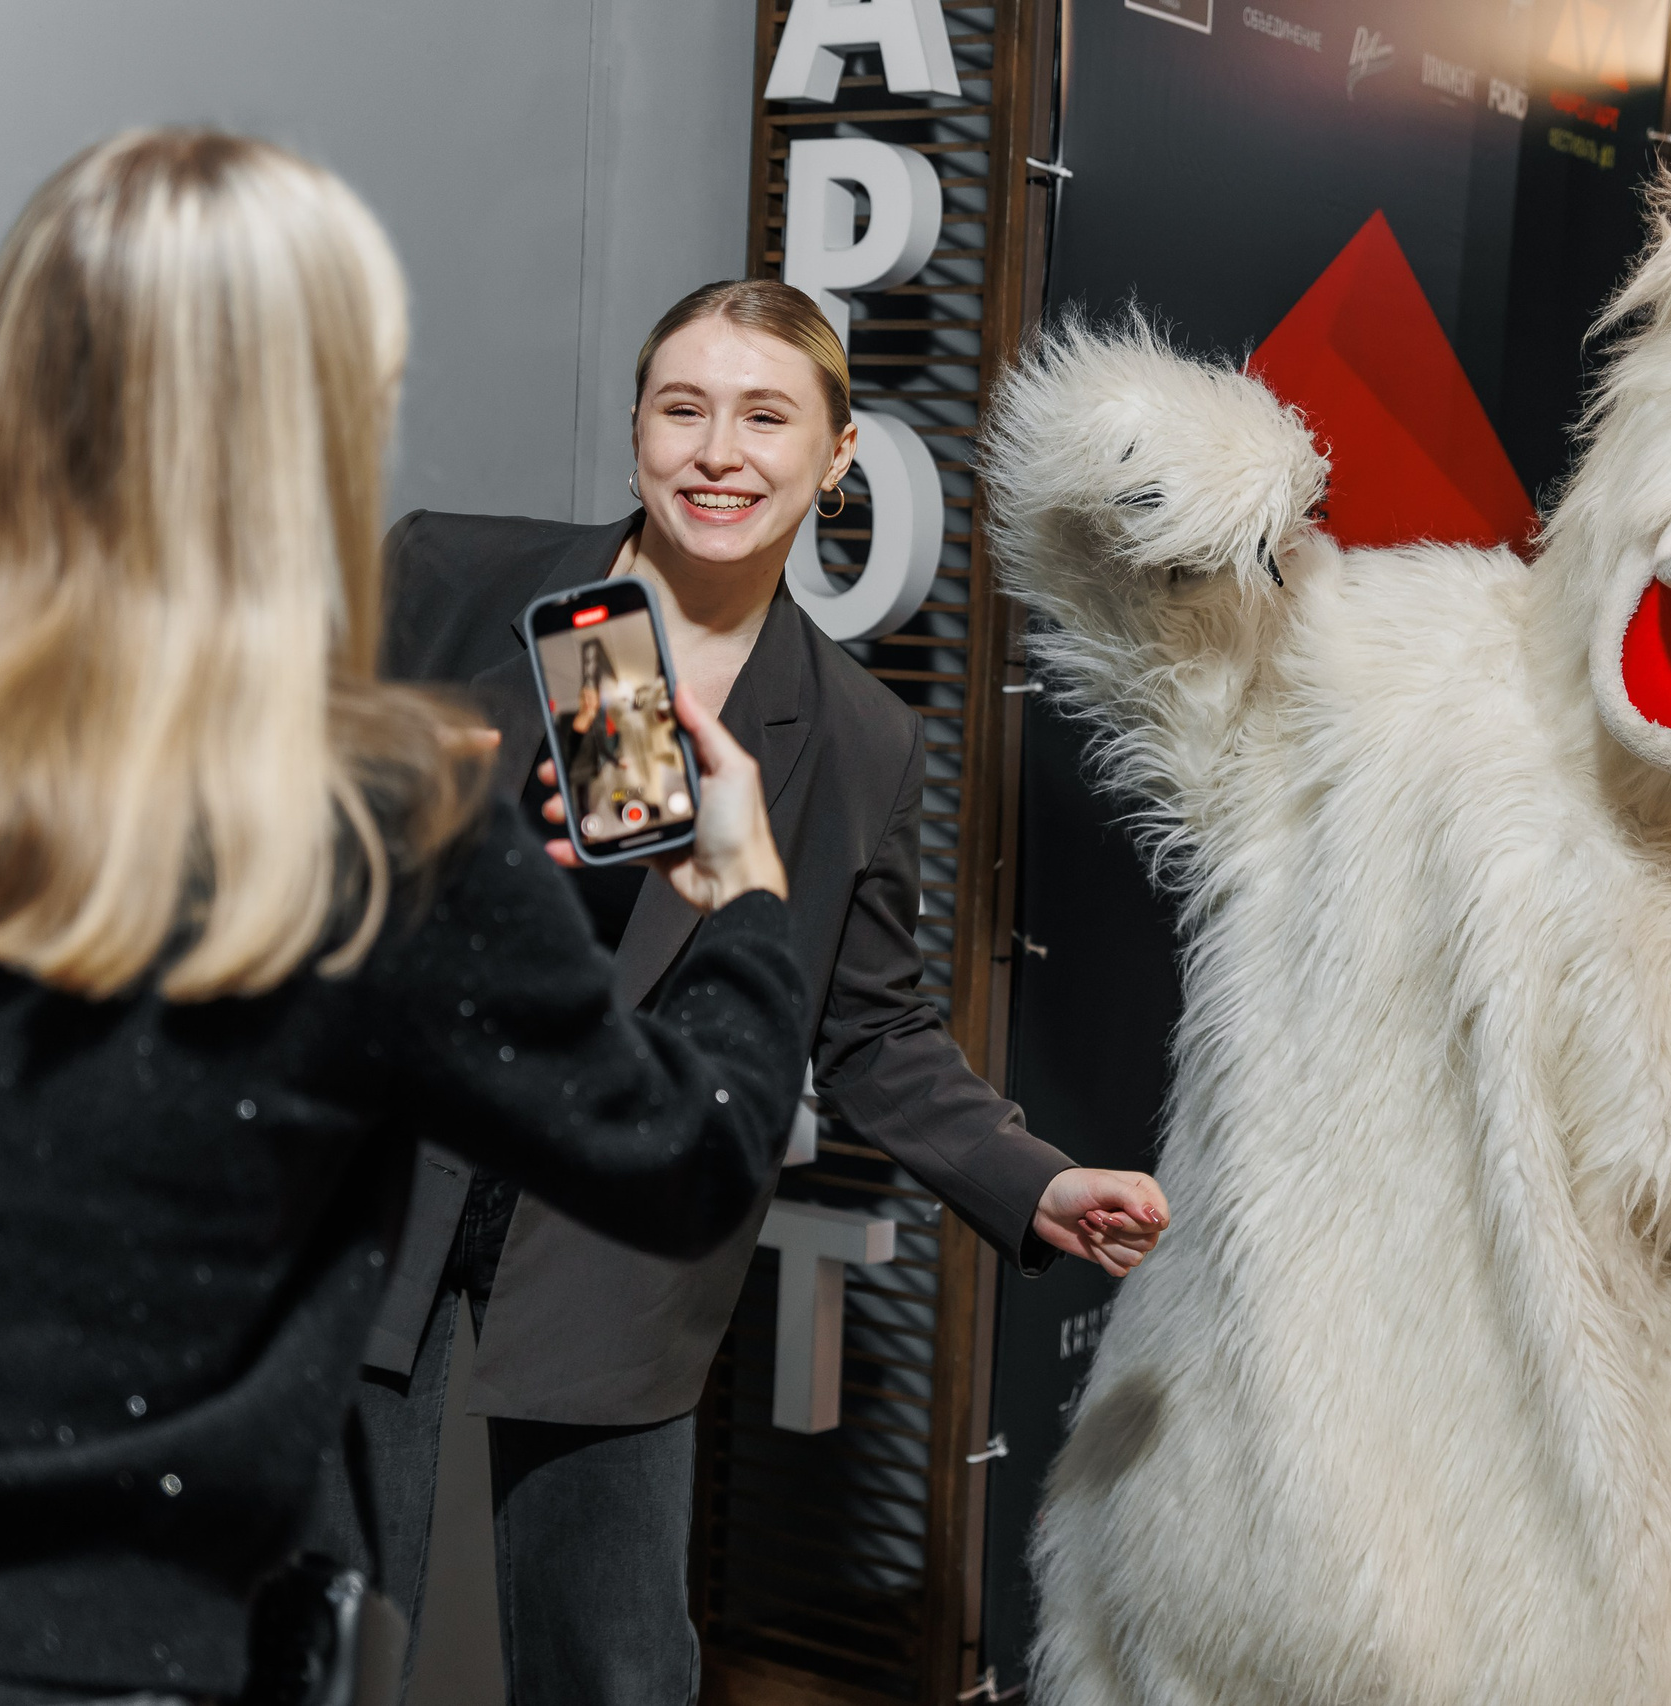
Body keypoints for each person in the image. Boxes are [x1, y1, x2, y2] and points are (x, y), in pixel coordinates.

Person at [0, 131, 807, 1705]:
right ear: (325, 417)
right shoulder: (371, 835)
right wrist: (739, 898)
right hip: (135, 1652)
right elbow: (690, 1153)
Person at [359, 278, 1171, 1704]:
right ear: (633, 439)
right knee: (324, 1642)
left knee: (611, 1667)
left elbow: (868, 1027)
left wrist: (1025, 1180)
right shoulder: (447, 580)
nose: (717, 452)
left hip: (621, 1239)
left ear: (837, 453)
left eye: (764, 415)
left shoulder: (855, 735)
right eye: (683, 409)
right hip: (373, 1194)